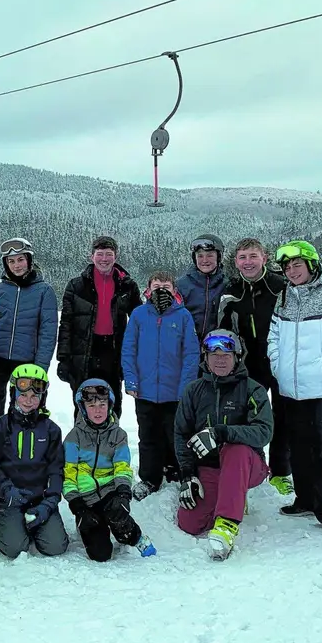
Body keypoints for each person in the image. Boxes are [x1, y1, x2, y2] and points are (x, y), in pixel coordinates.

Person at [267, 240, 322, 535]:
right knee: (299, 448)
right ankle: (305, 499)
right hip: (290, 389)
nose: (292, 271)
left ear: (312, 265)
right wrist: (278, 365)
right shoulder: (285, 298)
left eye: (298, 265)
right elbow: (273, 336)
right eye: (288, 266)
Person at [174, 329, 275, 560]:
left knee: (235, 448)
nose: (220, 360)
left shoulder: (253, 389)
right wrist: (188, 475)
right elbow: (182, 434)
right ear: (206, 359)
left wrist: (222, 433)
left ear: (237, 357)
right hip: (210, 467)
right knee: (189, 523)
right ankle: (231, 496)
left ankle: (227, 522)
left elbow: (263, 432)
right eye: (214, 355)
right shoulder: (193, 391)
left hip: (247, 465)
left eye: (226, 355)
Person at [218, 238, 293, 497]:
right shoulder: (231, 290)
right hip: (248, 365)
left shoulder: (280, 286)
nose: (247, 262)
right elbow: (223, 328)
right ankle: (252, 467)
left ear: (264, 258)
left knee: (283, 416)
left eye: (253, 256)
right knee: (249, 417)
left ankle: (281, 470)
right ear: (235, 261)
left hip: (280, 361)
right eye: (242, 257)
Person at [120, 271, 199, 499]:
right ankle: (149, 478)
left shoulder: (183, 316)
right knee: (148, 437)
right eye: (156, 286)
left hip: (174, 392)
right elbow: (128, 349)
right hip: (144, 391)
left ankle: (179, 472)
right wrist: (131, 379)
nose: (161, 290)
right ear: (148, 290)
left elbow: (191, 353)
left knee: (176, 434)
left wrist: (185, 387)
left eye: (166, 286)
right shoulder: (138, 315)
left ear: (175, 290)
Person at [0, 364, 69, 559]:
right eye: (23, 395)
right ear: (14, 394)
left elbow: (56, 470)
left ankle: (39, 520)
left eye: (34, 396)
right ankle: (6, 519)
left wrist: (49, 503)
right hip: (10, 498)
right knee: (14, 548)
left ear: (42, 398)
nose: (28, 401)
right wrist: (7, 491)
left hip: (40, 500)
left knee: (55, 547)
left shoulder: (51, 430)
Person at [64, 379, 155, 561]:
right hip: (86, 499)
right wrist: (78, 507)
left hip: (110, 493)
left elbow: (122, 467)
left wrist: (123, 494)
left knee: (120, 521)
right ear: (83, 408)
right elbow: (68, 475)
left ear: (110, 405)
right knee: (101, 554)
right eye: (91, 405)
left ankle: (136, 536)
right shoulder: (73, 438)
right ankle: (90, 525)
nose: (97, 410)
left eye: (102, 404)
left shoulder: (118, 435)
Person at [57, 235, 142, 420]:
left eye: (109, 254)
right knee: (83, 402)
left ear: (116, 256)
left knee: (112, 401)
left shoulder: (127, 285)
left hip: (112, 351)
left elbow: (139, 322)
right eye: (100, 254)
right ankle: (82, 444)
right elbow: (66, 323)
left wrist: (137, 357)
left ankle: (111, 444)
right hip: (84, 350)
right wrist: (63, 357)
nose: (104, 259)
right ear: (91, 256)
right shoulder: (77, 286)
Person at [0, 237, 57, 428]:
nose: (16, 265)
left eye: (20, 259)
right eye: (11, 261)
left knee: (23, 409)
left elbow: (48, 332)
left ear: (29, 260)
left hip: (26, 360)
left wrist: (40, 366)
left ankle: (18, 451)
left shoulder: (44, 291)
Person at [175, 233, 227, 341]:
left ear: (219, 257)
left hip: (217, 346)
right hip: (188, 345)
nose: (204, 260)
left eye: (210, 255)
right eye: (200, 256)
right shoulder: (181, 285)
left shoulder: (227, 284)